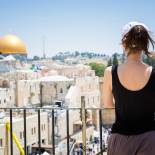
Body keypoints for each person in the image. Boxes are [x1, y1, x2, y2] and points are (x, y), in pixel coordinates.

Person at [102, 21, 155, 155]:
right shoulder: (153, 73)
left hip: (120, 140)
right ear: (144, 44)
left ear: (124, 43)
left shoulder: (110, 72)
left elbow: (107, 104)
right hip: (149, 139)